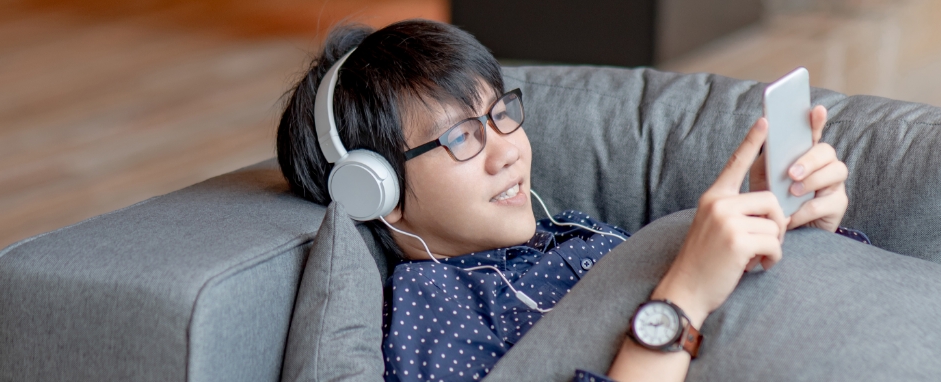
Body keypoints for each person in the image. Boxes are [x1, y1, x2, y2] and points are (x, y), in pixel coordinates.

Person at [275, 20, 866, 382]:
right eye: (460, 137)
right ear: (378, 189)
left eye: (500, 113)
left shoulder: (564, 230)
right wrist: (680, 300)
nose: (506, 150)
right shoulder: (433, 316)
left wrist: (800, 229)